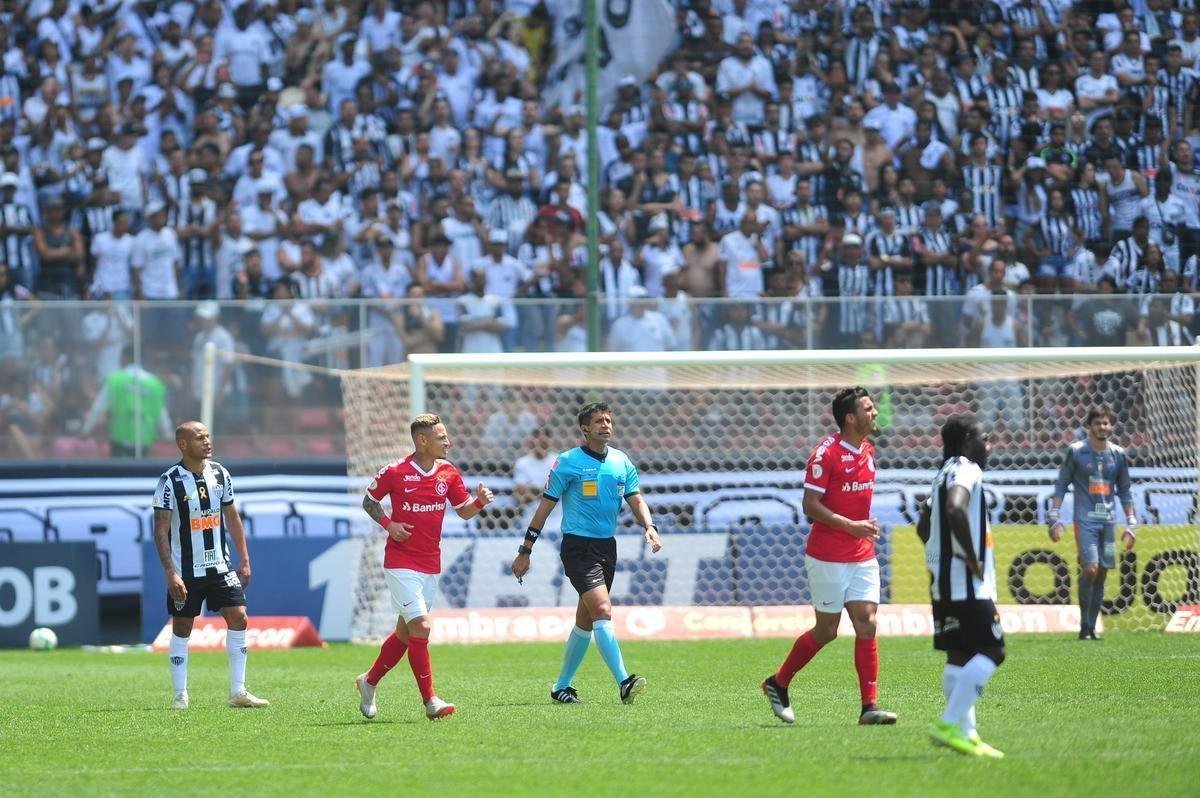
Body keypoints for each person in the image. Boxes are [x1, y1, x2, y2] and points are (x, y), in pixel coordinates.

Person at [510, 401, 663, 705]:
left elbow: (635, 498)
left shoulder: (621, 461)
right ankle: (624, 682)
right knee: (603, 610)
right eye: (599, 422)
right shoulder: (568, 462)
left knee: (585, 620)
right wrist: (525, 550)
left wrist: (649, 525)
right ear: (584, 429)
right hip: (578, 547)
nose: (606, 425)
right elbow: (544, 507)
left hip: (608, 547)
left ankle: (561, 686)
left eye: (608, 420)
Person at [762, 387, 896, 726]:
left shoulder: (868, 450)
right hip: (827, 556)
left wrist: (859, 529)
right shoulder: (826, 454)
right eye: (868, 408)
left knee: (867, 623)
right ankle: (778, 683)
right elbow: (810, 506)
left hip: (863, 553)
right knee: (827, 631)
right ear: (851, 418)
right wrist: (850, 526)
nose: (875, 412)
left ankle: (869, 707)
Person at [355, 413, 495, 721]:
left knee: (406, 634)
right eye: (441, 437)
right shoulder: (395, 472)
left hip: (431, 564)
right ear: (422, 441)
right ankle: (431, 700)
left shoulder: (449, 473)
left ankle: (369, 681)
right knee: (422, 627)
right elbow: (368, 501)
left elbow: (465, 512)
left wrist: (481, 502)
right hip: (401, 562)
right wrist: (389, 525)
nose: (448, 441)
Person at [152, 421, 268, 711]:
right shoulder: (169, 482)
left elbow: (232, 518)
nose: (207, 441)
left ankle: (238, 691)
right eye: (199, 437)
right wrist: (170, 573)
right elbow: (160, 529)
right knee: (182, 626)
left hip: (220, 566)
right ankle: (180, 694)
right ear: (183, 444)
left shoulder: (220, 473)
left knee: (239, 617)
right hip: (186, 571)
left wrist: (245, 559)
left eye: (207, 436)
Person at [915, 413, 1005, 759]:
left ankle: (968, 735)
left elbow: (923, 527)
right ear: (968, 439)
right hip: (966, 583)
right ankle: (949, 723)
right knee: (994, 651)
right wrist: (969, 556)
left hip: (942, 583)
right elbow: (955, 509)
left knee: (959, 657)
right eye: (985, 438)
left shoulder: (942, 473)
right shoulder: (967, 469)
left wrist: (940, 556)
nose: (989, 445)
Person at [1048, 406, 1137, 641]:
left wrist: (1131, 521)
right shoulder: (1076, 452)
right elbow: (1061, 484)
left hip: (1109, 521)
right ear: (1089, 426)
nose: (1102, 427)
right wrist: (1054, 515)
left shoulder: (1118, 454)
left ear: (1112, 426)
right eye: (1098, 423)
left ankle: (1091, 626)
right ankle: (1084, 624)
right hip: (1085, 520)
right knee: (1090, 569)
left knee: (1103, 572)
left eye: (1106, 423)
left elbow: (1125, 490)